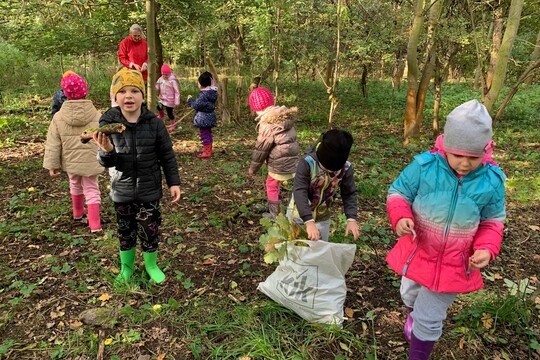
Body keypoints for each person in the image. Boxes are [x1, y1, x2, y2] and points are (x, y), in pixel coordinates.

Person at [385, 99, 506, 360]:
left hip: (455, 261)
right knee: (409, 292)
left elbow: (493, 221)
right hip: (418, 250)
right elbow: (398, 192)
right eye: (457, 155)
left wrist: (486, 247)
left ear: (485, 152)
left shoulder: (491, 181)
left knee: (430, 317)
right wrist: (401, 216)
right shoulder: (424, 167)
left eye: (473, 157)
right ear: (444, 147)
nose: (464, 163)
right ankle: (412, 315)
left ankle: (418, 352)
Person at [92, 68, 181, 286]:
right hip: (122, 189)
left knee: (150, 229)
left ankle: (151, 265)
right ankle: (127, 268)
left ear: (143, 96)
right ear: (115, 96)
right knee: (125, 231)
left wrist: (173, 182)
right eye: (122, 91)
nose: (129, 96)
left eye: (134, 91)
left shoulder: (155, 123)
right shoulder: (107, 124)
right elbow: (107, 162)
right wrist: (106, 151)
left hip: (149, 189)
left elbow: (166, 155)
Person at [43, 72, 104, 232]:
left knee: (74, 183)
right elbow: (105, 138)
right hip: (91, 159)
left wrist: (52, 165)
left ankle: (77, 213)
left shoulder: (58, 117)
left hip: (71, 159)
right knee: (91, 188)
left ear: (65, 94)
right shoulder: (97, 115)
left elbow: (53, 143)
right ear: (85, 91)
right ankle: (95, 224)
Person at [287, 129, 360, 242]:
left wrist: (351, 218)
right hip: (298, 216)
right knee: (294, 249)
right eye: (325, 168)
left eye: (333, 170)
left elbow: (349, 193)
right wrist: (308, 221)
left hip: (322, 218)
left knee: (318, 250)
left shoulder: (346, 168)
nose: (329, 171)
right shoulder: (307, 163)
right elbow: (299, 191)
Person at [247, 87, 300, 220]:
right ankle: (294, 208)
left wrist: (253, 169)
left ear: (256, 108)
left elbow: (261, 149)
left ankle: (274, 215)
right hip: (294, 161)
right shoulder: (283, 117)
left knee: (271, 185)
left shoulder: (267, 124)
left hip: (280, 163)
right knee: (294, 184)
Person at [186, 71, 218, 159]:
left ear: (201, 84)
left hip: (204, 118)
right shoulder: (211, 92)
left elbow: (196, 105)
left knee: (204, 134)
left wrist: (190, 100)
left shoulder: (203, 95)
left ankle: (207, 152)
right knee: (208, 133)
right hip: (210, 116)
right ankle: (208, 150)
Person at [155, 63, 180, 131]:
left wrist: (176, 101)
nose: (165, 76)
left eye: (166, 75)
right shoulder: (160, 79)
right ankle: (161, 115)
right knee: (158, 106)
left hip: (170, 100)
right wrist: (155, 88)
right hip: (162, 98)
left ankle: (173, 125)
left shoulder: (172, 81)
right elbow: (157, 85)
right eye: (163, 74)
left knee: (170, 113)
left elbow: (177, 91)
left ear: (169, 73)